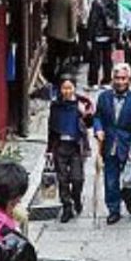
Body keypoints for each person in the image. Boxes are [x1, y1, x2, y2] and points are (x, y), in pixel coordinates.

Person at [93, 63, 131, 224]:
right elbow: (97, 117)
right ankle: (114, 209)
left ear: (129, 79)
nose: (120, 81)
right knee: (111, 179)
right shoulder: (104, 98)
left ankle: (129, 199)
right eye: (117, 78)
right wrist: (98, 129)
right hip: (109, 144)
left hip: (127, 144)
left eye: (123, 78)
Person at [47, 77, 94, 223]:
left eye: (70, 87)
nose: (67, 91)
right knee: (62, 179)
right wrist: (49, 149)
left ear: (74, 88)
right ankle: (67, 207)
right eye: (64, 88)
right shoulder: (56, 106)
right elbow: (51, 128)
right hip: (60, 145)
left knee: (77, 178)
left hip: (76, 146)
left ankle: (77, 198)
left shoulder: (82, 105)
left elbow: (90, 124)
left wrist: (84, 113)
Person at [45, 0, 79, 82]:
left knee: (52, 58)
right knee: (64, 58)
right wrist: (73, 34)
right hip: (65, 35)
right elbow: (72, 20)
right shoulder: (72, 0)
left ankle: (50, 77)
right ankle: (61, 77)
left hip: (52, 31)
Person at [86, 0, 118, 89]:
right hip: (109, 35)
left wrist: (89, 37)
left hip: (98, 35)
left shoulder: (96, 2)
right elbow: (116, 19)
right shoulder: (113, 1)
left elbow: (93, 20)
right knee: (107, 59)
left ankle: (93, 82)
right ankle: (107, 81)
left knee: (95, 59)